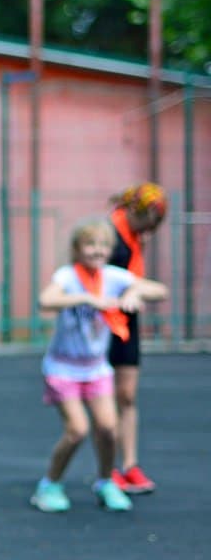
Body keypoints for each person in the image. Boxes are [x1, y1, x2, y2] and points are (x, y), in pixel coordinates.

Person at [30, 219, 168, 513]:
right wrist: (84, 299)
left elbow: (159, 290)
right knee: (77, 429)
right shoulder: (68, 276)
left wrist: (134, 293)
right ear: (77, 249)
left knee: (108, 427)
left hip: (95, 369)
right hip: (63, 369)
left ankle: (106, 482)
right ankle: (50, 484)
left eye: (104, 246)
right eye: (90, 245)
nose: (97, 251)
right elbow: (45, 299)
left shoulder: (114, 277)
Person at [106, 183, 169, 494]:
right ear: (134, 211)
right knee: (102, 400)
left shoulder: (134, 240)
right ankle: (108, 469)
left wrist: (134, 290)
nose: (148, 233)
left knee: (127, 396)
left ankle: (130, 465)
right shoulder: (108, 235)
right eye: (146, 225)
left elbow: (141, 284)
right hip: (102, 323)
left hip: (127, 324)